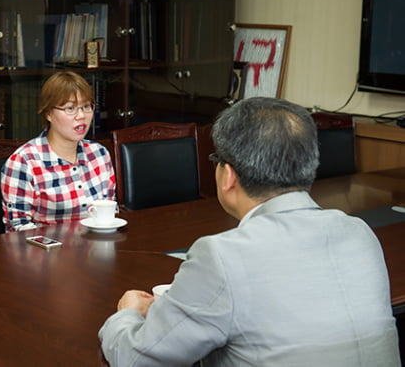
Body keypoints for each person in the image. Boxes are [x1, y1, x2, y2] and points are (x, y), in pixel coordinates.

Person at [99, 97, 400, 366]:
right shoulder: (359, 233)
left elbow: (136, 359)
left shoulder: (221, 256)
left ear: (228, 176)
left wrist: (127, 313)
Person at [0, 71, 116, 231]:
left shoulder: (99, 154)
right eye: (70, 108)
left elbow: (110, 211)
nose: (81, 116)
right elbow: (18, 228)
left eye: (86, 106)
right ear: (48, 113)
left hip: (99, 248)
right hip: (47, 253)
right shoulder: (24, 162)